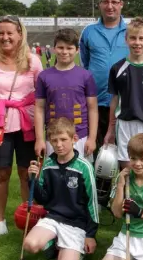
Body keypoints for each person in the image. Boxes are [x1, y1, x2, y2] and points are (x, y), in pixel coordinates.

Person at [0, 15, 43, 236]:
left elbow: (41, 96)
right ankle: (0, 220)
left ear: (20, 34)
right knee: (1, 173)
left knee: (27, 172)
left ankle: (29, 218)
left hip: (28, 124)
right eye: (1, 33)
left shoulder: (33, 61)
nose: (5, 37)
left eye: (9, 33)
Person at [23, 117, 98, 260]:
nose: (59, 145)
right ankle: (53, 242)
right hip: (53, 218)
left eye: (63, 139)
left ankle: (70, 248)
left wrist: (90, 235)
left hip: (77, 223)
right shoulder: (48, 165)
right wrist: (33, 180)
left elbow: (93, 204)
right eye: (54, 140)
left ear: (74, 139)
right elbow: (42, 198)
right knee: (29, 245)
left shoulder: (84, 167)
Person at [104, 18, 143, 169]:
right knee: (126, 169)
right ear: (126, 39)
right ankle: (126, 194)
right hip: (125, 124)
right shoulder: (117, 68)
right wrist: (110, 130)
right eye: (133, 38)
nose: (137, 42)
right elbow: (115, 100)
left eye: (141, 38)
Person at [79, 0, 129, 160]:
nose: (110, 6)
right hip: (95, 103)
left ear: (121, 4)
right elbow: (84, 64)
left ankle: (123, 187)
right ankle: (96, 188)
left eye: (114, 2)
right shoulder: (89, 32)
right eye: (106, 2)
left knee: (124, 155)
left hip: (124, 103)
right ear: (100, 5)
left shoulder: (130, 32)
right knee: (96, 152)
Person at [34, 28, 98, 162]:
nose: (64, 52)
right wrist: (40, 139)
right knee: (54, 178)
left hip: (80, 137)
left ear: (77, 50)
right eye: (60, 47)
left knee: (81, 177)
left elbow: (92, 108)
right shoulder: (44, 76)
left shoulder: (85, 76)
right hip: (53, 139)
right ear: (54, 49)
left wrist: (92, 138)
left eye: (69, 48)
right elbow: (39, 109)